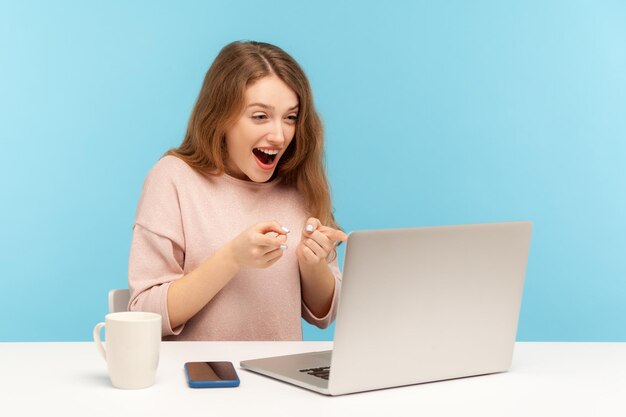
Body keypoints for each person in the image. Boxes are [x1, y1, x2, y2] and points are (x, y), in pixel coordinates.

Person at [128, 40, 347, 341]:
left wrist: (314, 265)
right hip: (198, 383)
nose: (279, 135)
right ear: (222, 117)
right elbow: (143, 313)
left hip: (279, 382)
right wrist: (232, 258)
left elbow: (326, 314)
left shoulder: (300, 185)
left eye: (291, 117)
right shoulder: (173, 178)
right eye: (260, 116)